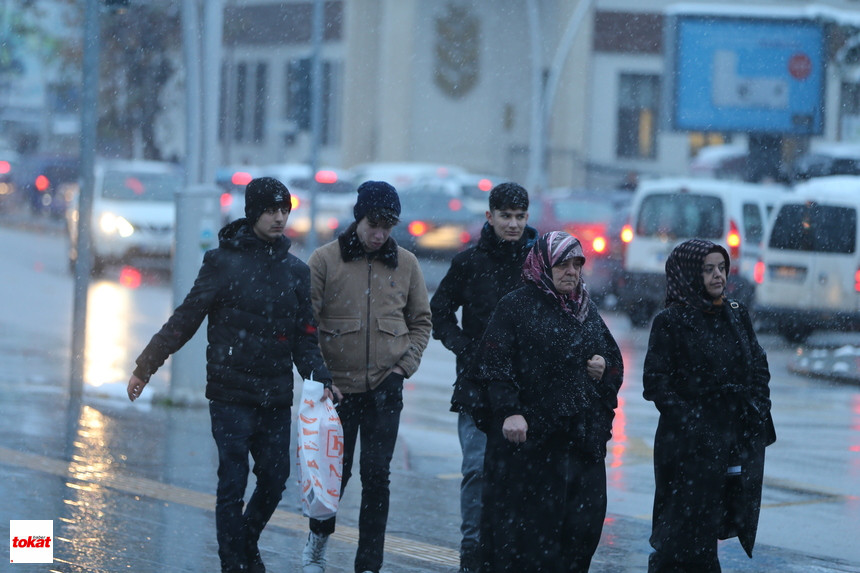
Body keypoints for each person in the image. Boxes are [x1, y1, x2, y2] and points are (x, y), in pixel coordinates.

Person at [126, 177, 335, 573]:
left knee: (275, 479)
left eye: (284, 210)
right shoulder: (222, 262)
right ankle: (233, 564)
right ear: (253, 211)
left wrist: (320, 378)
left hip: (274, 395)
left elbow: (305, 338)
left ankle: (244, 542)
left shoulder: (296, 271)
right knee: (232, 483)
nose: (279, 217)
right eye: (271, 210)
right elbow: (186, 318)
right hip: (230, 393)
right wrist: (146, 365)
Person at [471, 231, 623, 573]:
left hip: (580, 444)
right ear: (542, 265)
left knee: (580, 531)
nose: (571, 272)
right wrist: (510, 411)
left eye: (577, 264)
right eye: (562, 264)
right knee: (529, 538)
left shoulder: (586, 308)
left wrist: (603, 367)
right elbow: (493, 366)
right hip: (533, 445)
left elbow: (613, 363)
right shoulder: (516, 306)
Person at [301, 180, 432, 573]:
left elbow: (421, 323)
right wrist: (322, 377)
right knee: (331, 480)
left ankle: (369, 564)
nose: (379, 234)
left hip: (384, 391)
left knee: (377, 478)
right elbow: (305, 326)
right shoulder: (324, 261)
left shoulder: (406, 264)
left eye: (388, 226)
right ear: (358, 218)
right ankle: (316, 546)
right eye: (373, 224)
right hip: (335, 394)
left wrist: (401, 370)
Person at [643, 238, 776, 572]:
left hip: (730, 439)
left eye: (722, 268)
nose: (718, 276)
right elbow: (656, 383)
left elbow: (758, 364)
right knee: (683, 532)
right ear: (689, 274)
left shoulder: (734, 313)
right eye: (708, 269)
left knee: (717, 520)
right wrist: (693, 424)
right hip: (686, 446)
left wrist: (756, 407)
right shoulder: (671, 321)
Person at [429, 181, 536, 573]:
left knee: (521, 474)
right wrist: (466, 348)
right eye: (505, 216)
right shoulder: (469, 263)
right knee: (477, 468)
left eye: (519, 216)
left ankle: (513, 548)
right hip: (476, 387)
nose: (513, 224)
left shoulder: (537, 265)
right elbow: (438, 312)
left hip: (526, 388)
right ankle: (472, 549)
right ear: (489, 217)